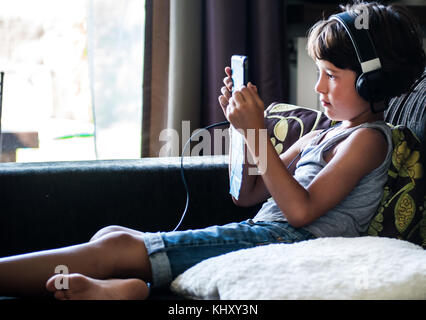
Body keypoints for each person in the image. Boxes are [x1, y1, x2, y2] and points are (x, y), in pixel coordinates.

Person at [0, 1, 424, 300]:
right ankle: (130, 291)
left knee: (114, 251)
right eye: (318, 73)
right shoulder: (321, 135)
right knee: (113, 236)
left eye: (331, 75)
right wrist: (242, 131)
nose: (317, 88)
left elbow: (301, 212)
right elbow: (248, 195)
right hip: (267, 232)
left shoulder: (369, 140)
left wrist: (259, 131)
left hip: (284, 240)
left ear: (372, 83)